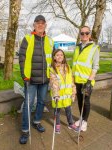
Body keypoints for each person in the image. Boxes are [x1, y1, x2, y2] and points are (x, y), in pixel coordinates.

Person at [19, 15, 54, 144]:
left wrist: (54, 75)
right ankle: (25, 130)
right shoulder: (27, 39)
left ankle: (37, 122)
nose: (40, 25)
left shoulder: (50, 41)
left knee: (41, 102)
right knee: (28, 105)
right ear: (34, 25)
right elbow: (22, 59)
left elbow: (54, 60)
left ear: (45, 25)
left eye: (42, 23)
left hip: (45, 79)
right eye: (37, 23)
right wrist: (24, 75)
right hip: (30, 79)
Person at [72, 26, 100, 131]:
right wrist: (73, 79)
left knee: (86, 101)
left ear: (90, 35)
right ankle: (81, 118)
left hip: (87, 81)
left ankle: (85, 122)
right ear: (80, 35)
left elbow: (95, 67)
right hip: (77, 80)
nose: (84, 35)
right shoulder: (77, 47)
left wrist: (89, 81)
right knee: (79, 101)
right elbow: (74, 64)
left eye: (86, 33)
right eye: (82, 33)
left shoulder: (94, 48)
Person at [49, 49, 79, 134]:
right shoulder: (52, 69)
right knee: (57, 111)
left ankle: (71, 123)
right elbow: (53, 83)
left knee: (68, 110)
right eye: (57, 55)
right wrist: (56, 95)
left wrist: (73, 92)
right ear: (54, 57)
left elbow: (71, 81)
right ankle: (57, 124)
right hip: (58, 95)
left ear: (64, 57)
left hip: (67, 94)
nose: (59, 56)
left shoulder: (68, 67)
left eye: (61, 55)